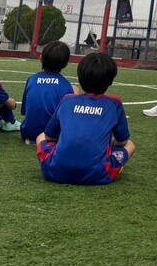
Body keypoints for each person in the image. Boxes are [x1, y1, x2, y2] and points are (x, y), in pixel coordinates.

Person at [36, 52, 135, 186]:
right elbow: (122, 140)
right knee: (130, 145)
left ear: (80, 77)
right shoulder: (114, 104)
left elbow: (49, 136)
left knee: (41, 136)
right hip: (98, 175)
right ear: (111, 81)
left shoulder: (67, 100)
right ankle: (115, 166)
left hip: (55, 171)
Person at [20, 40, 77, 144]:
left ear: (41, 58)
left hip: (28, 133)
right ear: (65, 64)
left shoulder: (31, 80)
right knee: (75, 90)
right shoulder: (66, 85)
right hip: (53, 136)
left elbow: (24, 113)